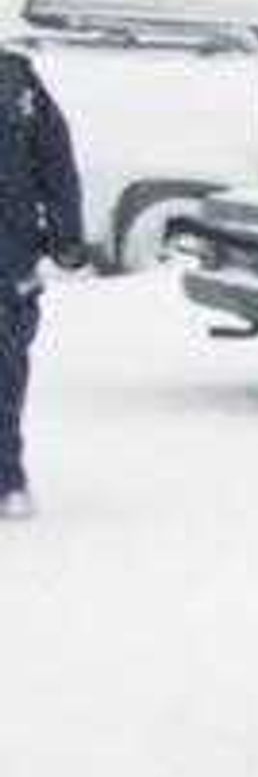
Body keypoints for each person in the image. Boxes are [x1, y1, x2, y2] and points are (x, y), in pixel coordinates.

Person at [0, 43, 87, 518]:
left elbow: (55, 159)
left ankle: (6, 477)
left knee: (5, 369)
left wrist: (66, 234)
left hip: (7, 257)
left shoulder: (16, 80)